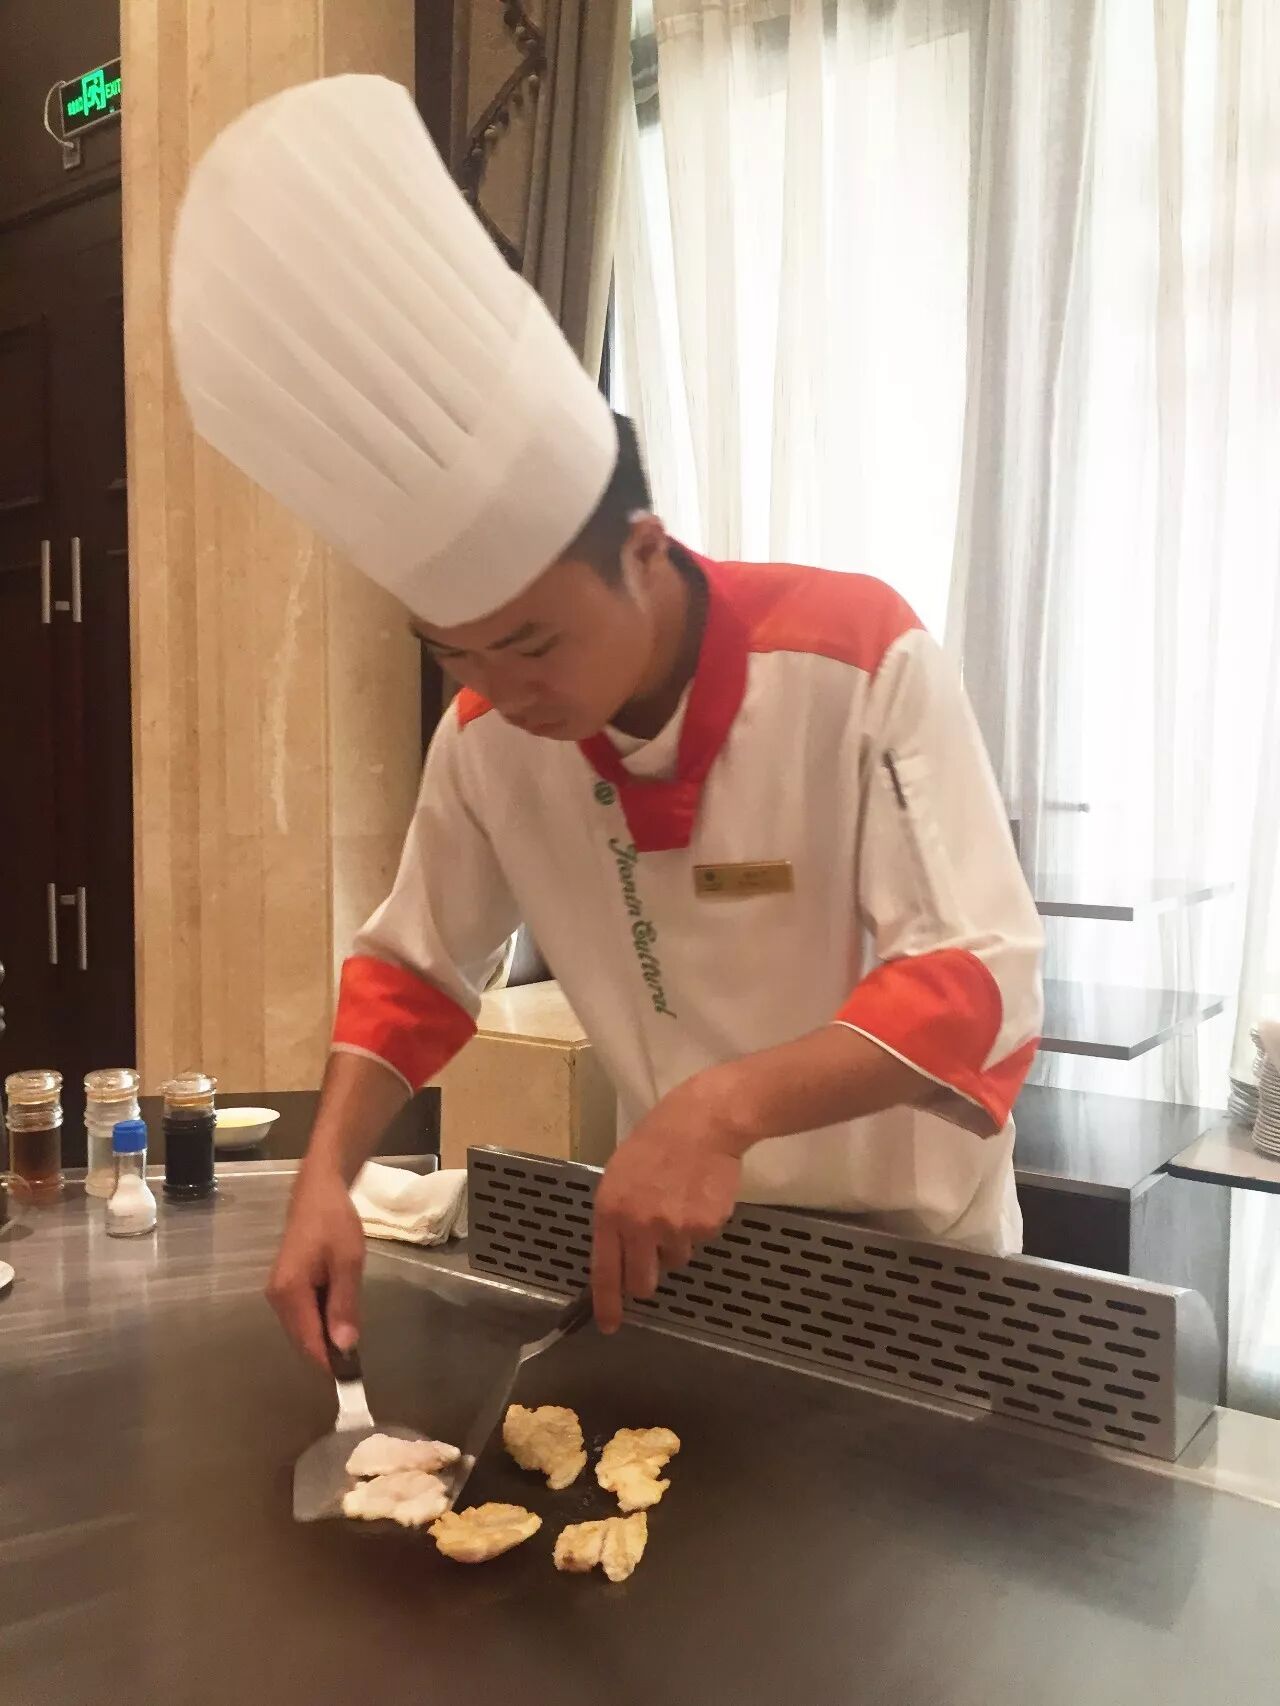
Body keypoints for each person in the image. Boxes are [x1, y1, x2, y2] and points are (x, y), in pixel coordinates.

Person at [170, 74, 1043, 1370]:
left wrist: (724, 1106)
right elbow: (413, 971)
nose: (501, 688)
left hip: (918, 1266)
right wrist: (325, 1176)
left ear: (644, 548)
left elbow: (975, 982)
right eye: (456, 651)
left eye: (531, 640)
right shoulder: (486, 737)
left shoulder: (857, 661)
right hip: (687, 1254)